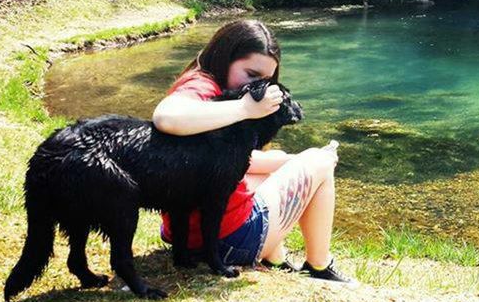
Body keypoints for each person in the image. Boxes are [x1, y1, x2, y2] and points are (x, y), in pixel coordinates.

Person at [152, 18, 354, 283]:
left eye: (267, 81)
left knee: (277, 163)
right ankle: (319, 266)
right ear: (225, 58)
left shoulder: (220, 89)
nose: (259, 87)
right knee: (321, 160)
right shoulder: (201, 87)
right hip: (231, 241)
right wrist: (246, 109)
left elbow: (229, 162)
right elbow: (166, 116)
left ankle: (276, 260)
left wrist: (290, 162)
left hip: (188, 236)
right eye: (251, 74)